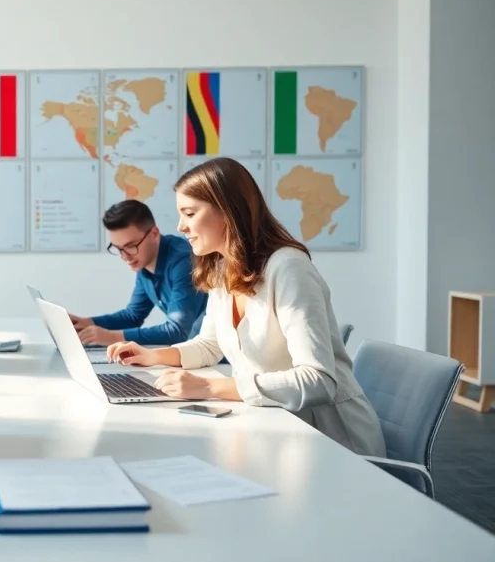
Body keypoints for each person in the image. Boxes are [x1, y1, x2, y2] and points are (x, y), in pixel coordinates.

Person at [107, 157, 385, 457]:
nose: (180, 226)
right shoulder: (222, 268)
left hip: (333, 441)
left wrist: (210, 388)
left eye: (189, 213)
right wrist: (152, 356)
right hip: (276, 428)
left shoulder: (289, 268)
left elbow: (318, 381)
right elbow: (209, 345)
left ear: (227, 211)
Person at [69, 200, 207, 347]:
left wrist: (112, 337)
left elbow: (177, 331)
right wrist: (86, 323)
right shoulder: (144, 261)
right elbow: (133, 316)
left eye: (130, 246)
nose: (125, 256)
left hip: (218, 361)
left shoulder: (183, 262)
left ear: (154, 234)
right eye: (118, 248)